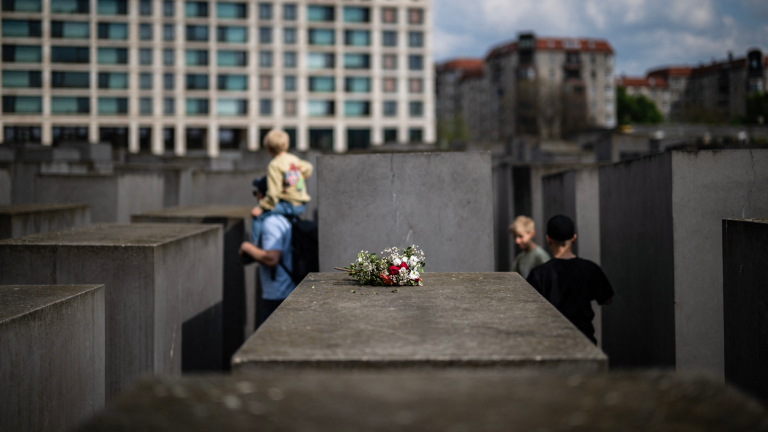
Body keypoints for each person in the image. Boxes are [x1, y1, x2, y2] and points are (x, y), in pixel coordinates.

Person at [526, 215, 614, 345]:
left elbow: (528, 308)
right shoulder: (590, 269)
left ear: (548, 239)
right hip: (584, 339)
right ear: (573, 239)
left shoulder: (539, 273)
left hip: (551, 340)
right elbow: (607, 299)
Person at [240, 180, 296, 325]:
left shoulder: (271, 222)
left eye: (256, 193)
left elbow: (271, 259)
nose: (256, 197)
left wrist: (246, 247)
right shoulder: (284, 217)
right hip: (288, 287)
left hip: (278, 293)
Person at [250, 129, 313, 244]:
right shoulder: (293, 159)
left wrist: (261, 207)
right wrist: (304, 173)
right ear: (287, 145)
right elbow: (308, 166)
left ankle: (255, 246)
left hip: (288, 204)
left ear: (268, 148)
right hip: (301, 205)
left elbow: (273, 194)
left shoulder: (274, 165)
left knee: (257, 217)